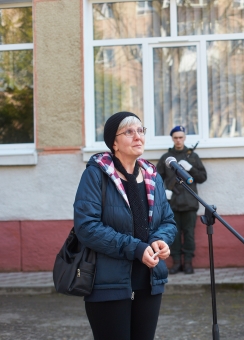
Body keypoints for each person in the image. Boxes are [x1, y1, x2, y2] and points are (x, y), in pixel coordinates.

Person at [73, 111, 177, 340]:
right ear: (114, 143)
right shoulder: (96, 175)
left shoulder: (152, 175)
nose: (137, 136)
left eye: (140, 131)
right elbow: (87, 227)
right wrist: (136, 248)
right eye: (129, 132)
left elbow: (168, 221)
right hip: (108, 284)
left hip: (148, 281)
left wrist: (160, 240)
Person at [156, 126, 207, 275]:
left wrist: (190, 168)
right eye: (175, 137)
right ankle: (177, 262)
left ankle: (188, 263)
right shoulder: (167, 158)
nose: (178, 140)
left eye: (181, 137)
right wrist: (163, 193)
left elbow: (202, 178)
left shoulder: (192, 157)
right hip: (172, 203)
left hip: (190, 202)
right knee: (174, 235)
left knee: (189, 234)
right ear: (172, 139)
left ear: (184, 138)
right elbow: (157, 179)